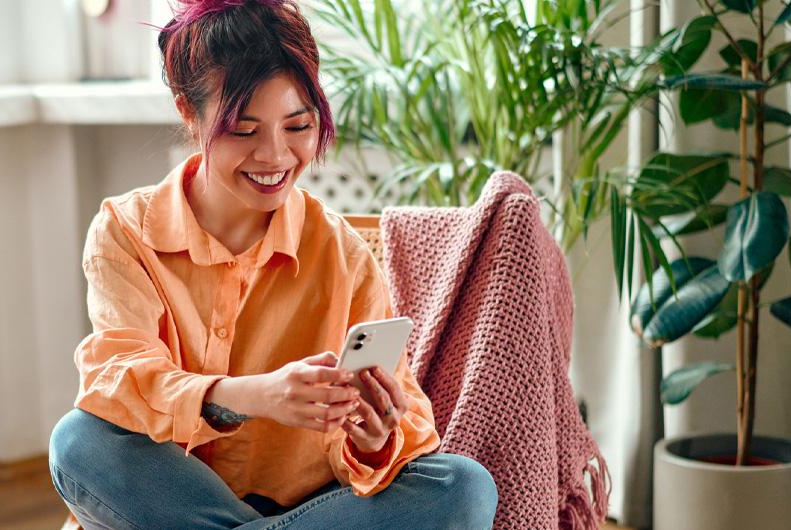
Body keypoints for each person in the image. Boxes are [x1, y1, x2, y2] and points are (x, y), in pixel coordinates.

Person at [48, 1, 498, 528]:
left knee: (461, 487)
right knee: (80, 441)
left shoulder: (341, 253)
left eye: (298, 126)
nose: (276, 156)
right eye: (244, 130)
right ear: (187, 112)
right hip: (166, 496)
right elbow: (119, 379)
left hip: (309, 508)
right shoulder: (127, 231)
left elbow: (408, 425)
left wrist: (374, 440)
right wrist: (248, 396)